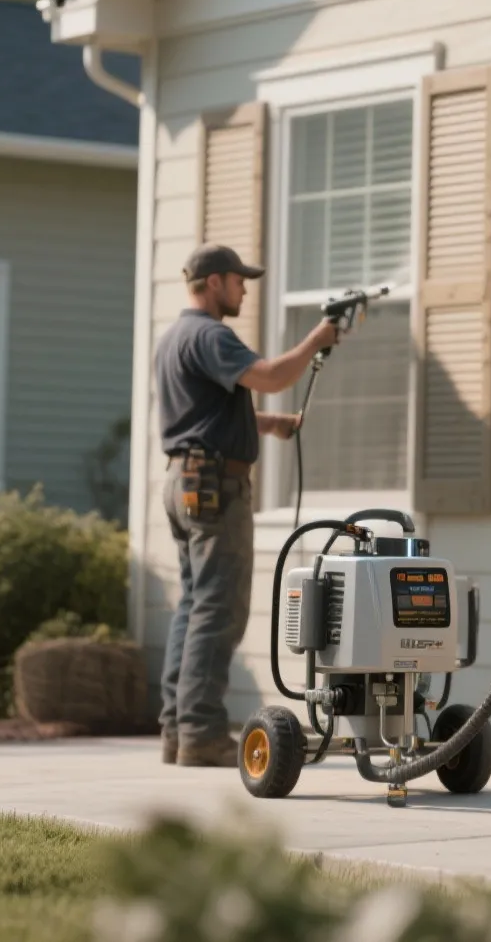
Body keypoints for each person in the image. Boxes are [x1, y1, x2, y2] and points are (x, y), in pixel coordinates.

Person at [155, 244, 339, 766]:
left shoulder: (174, 338)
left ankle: (177, 730)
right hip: (216, 487)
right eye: (239, 280)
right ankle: (203, 734)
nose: (244, 289)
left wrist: (270, 424)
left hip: (182, 482)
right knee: (219, 609)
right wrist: (317, 340)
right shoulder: (211, 334)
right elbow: (272, 376)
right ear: (214, 282)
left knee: (193, 605)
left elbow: (204, 415)